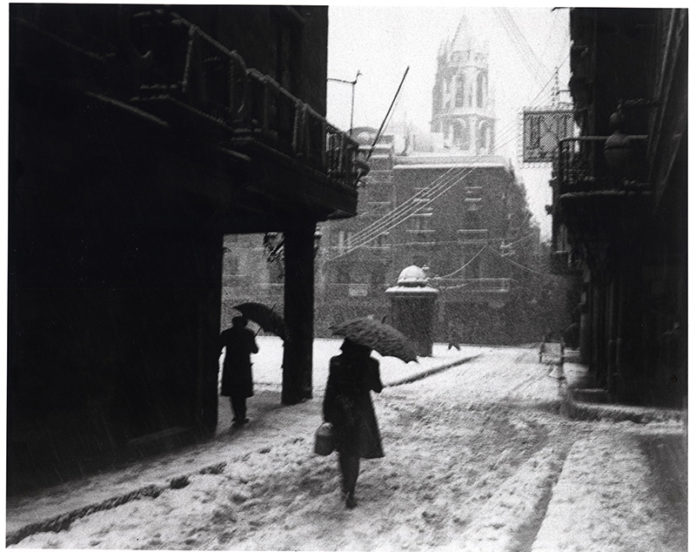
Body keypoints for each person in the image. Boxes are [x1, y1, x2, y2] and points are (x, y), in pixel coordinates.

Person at [322, 339, 384, 509]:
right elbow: (378, 387)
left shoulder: (336, 362)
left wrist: (327, 412)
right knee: (354, 451)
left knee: (343, 450)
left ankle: (345, 485)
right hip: (360, 413)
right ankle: (351, 490)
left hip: (339, 411)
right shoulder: (370, 363)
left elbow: (331, 387)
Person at [219, 316, 259, 428]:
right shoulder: (248, 334)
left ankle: (236, 414)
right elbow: (255, 350)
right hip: (243, 365)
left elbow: (218, 347)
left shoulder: (226, 333)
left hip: (230, 366)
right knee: (242, 392)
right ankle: (242, 415)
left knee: (233, 392)